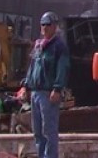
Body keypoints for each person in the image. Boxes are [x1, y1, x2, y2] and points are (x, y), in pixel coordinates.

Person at [23, 11, 69, 158]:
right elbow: (32, 68)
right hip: (35, 93)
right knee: (37, 132)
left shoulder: (59, 47)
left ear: (55, 26)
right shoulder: (38, 46)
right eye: (42, 24)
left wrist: (57, 88)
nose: (45, 28)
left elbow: (63, 68)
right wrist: (25, 86)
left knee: (48, 131)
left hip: (48, 94)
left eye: (48, 25)